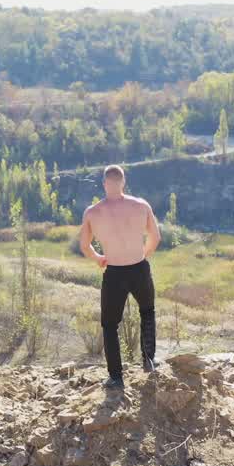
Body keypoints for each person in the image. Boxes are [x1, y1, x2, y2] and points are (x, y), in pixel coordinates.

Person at [79, 165, 161, 388]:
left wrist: (98, 258)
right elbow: (155, 237)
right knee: (147, 311)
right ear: (123, 182)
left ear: (104, 183)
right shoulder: (141, 205)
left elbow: (84, 245)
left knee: (109, 325)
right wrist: (142, 256)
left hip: (114, 271)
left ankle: (116, 377)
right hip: (139, 268)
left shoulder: (93, 212)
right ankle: (148, 360)